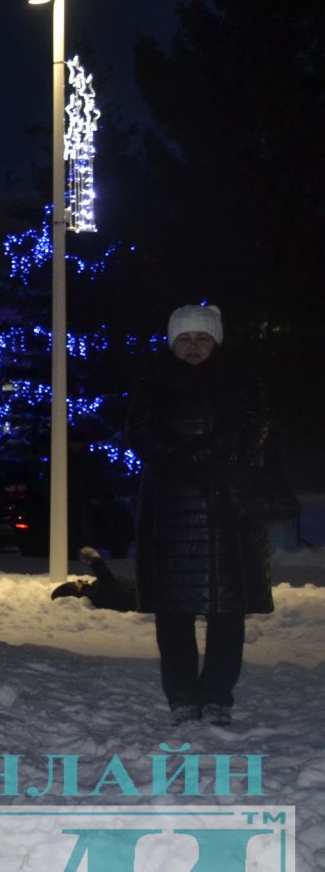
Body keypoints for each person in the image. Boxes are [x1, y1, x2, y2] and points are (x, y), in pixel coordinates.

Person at [126, 304, 273, 728]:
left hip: (227, 512)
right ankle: (182, 694)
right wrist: (180, 459)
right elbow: (140, 431)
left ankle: (217, 694)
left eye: (202, 338)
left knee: (227, 611)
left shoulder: (242, 380)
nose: (194, 347)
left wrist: (204, 456)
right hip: (171, 513)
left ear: (216, 341)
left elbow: (251, 428)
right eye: (185, 339)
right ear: (173, 343)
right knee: (174, 612)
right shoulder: (152, 382)